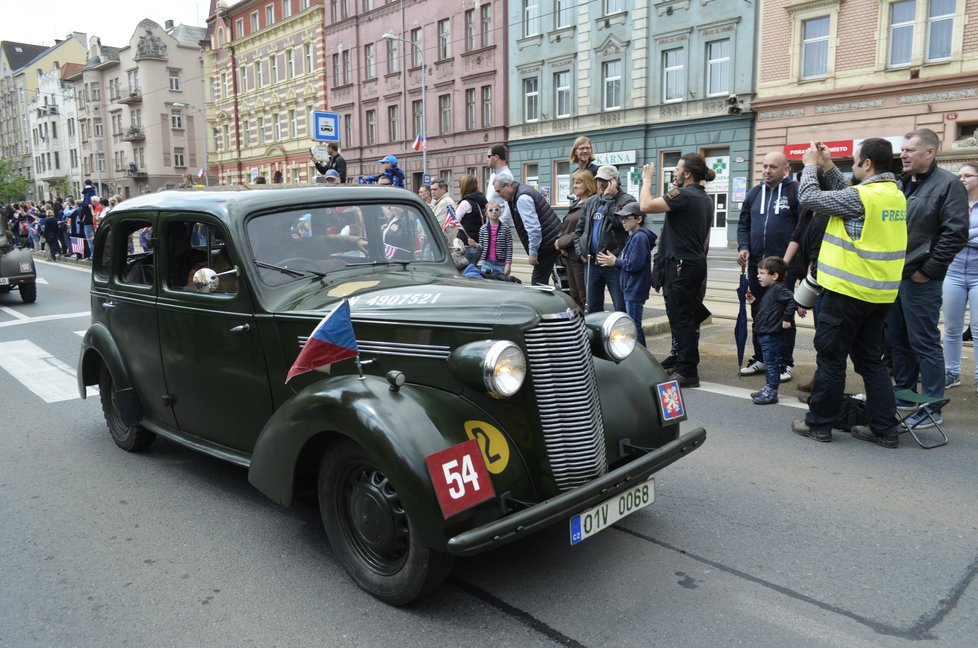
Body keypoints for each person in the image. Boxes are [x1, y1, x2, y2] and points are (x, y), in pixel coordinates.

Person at [791, 138, 907, 448]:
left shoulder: (861, 197)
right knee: (871, 361)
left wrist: (811, 166)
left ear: (867, 163)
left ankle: (818, 424)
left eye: (856, 160)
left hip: (846, 293)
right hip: (879, 296)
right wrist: (829, 165)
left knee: (831, 359)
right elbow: (848, 194)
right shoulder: (894, 196)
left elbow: (810, 197)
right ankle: (884, 430)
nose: (853, 165)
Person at [886, 128, 968, 430]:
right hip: (895, 277)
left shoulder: (948, 185)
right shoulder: (902, 183)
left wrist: (927, 271)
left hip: (920, 279)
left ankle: (932, 407)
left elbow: (954, 233)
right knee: (898, 340)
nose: (903, 155)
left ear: (930, 152)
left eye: (909, 150)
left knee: (924, 342)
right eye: (903, 150)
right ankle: (905, 397)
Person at [640, 153, 714, 388]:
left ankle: (687, 370)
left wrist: (647, 180)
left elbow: (645, 205)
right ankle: (679, 359)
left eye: (677, 169)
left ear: (687, 173)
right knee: (683, 315)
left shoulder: (682, 194)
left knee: (681, 317)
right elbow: (705, 237)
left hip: (681, 264)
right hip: (692, 262)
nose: (674, 173)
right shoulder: (703, 197)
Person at [736, 152, 800, 382]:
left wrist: (791, 265)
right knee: (758, 313)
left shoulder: (795, 192)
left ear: (786, 169)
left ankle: (784, 362)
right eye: (764, 166)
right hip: (756, 268)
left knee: (783, 316)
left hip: (782, 270)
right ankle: (761, 358)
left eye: (773, 166)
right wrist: (743, 247)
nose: (767, 170)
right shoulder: (754, 193)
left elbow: (801, 230)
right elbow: (743, 224)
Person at [573, 165, 635, 313]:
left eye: (605, 180)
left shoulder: (627, 200)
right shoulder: (590, 202)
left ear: (614, 181)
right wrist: (580, 251)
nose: (601, 184)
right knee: (593, 308)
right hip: (592, 262)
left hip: (614, 262)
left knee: (620, 307)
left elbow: (620, 223)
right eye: (598, 180)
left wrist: (608, 199)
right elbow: (579, 230)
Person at [596, 202, 657, 345]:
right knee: (633, 325)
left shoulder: (639, 238)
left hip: (635, 288)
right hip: (631, 287)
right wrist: (616, 262)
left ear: (638, 219)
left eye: (626, 218)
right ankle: (638, 357)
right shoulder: (633, 236)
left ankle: (641, 359)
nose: (623, 221)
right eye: (621, 219)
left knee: (634, 326)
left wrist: (615, 262)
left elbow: (635, 265)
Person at [942, 163, 978, 394]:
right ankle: (951, 372)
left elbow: (953, 237)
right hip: (952, 273)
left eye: (968, 175)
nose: (962, 179)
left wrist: (959, 236)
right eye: (960, 175)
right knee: (952, 328)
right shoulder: (953, 205)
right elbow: (943, 235)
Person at [493, 170, 561, 286]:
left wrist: (533, 253)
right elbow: (506, 217)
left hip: (547, 245)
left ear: (509, 185)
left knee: (538, 283)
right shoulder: (516, 196)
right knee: (554, 278)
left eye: (499, 191)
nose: (498, 195)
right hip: (552, 240)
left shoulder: (522, 198)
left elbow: (533, 229)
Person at [745, 256, 796, 405]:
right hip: (766, 333)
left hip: (772, 334)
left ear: (774, 276)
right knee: (769, 363)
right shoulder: (771, 290)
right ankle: (768, 388)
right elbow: (767, 310)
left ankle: (771, 392)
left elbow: (793, 300)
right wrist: (754, 302)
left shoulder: (778, 289)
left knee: (772, 364)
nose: (757, 276)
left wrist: (787, 318)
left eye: (762, 273)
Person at [555, 170, 597, 310]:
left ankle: (588, 325)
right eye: (574, 182)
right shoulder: (577, 203)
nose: (574, 186)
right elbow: (567, 225)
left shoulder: (591, 203)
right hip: (569, 255)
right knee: (574, 296)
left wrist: (561, 242)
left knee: (583, 295)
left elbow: (582, 230)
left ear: (588, 184)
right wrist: (559, 241)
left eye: (578, 182)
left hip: (580, 256)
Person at [478, 198, 513, 276]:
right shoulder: (483, 229)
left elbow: (509, 247)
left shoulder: (506, 228)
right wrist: (474, 245)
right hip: (486, 263)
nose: (494, 212)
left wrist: (508, 264)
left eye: (496, 209)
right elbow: (481, 247)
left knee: (500, 284)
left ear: (500, 212)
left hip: (500, 264)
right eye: (491, 210)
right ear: (486, 213)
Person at [485, 144, 513, 227]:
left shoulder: (506, 176)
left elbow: (509, 206)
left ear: (496, 157)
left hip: (500, 227)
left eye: (489, 156)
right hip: (492, 224)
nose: (487, 159)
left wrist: (499, 225)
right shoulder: (493, 175)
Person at [455, 174, 487, 246]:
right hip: (480, 238)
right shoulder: (482, 200)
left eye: (460, 185)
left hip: (467, 239)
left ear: (464, 187)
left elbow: (454, 221)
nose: (459, 187)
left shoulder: (465, 203)